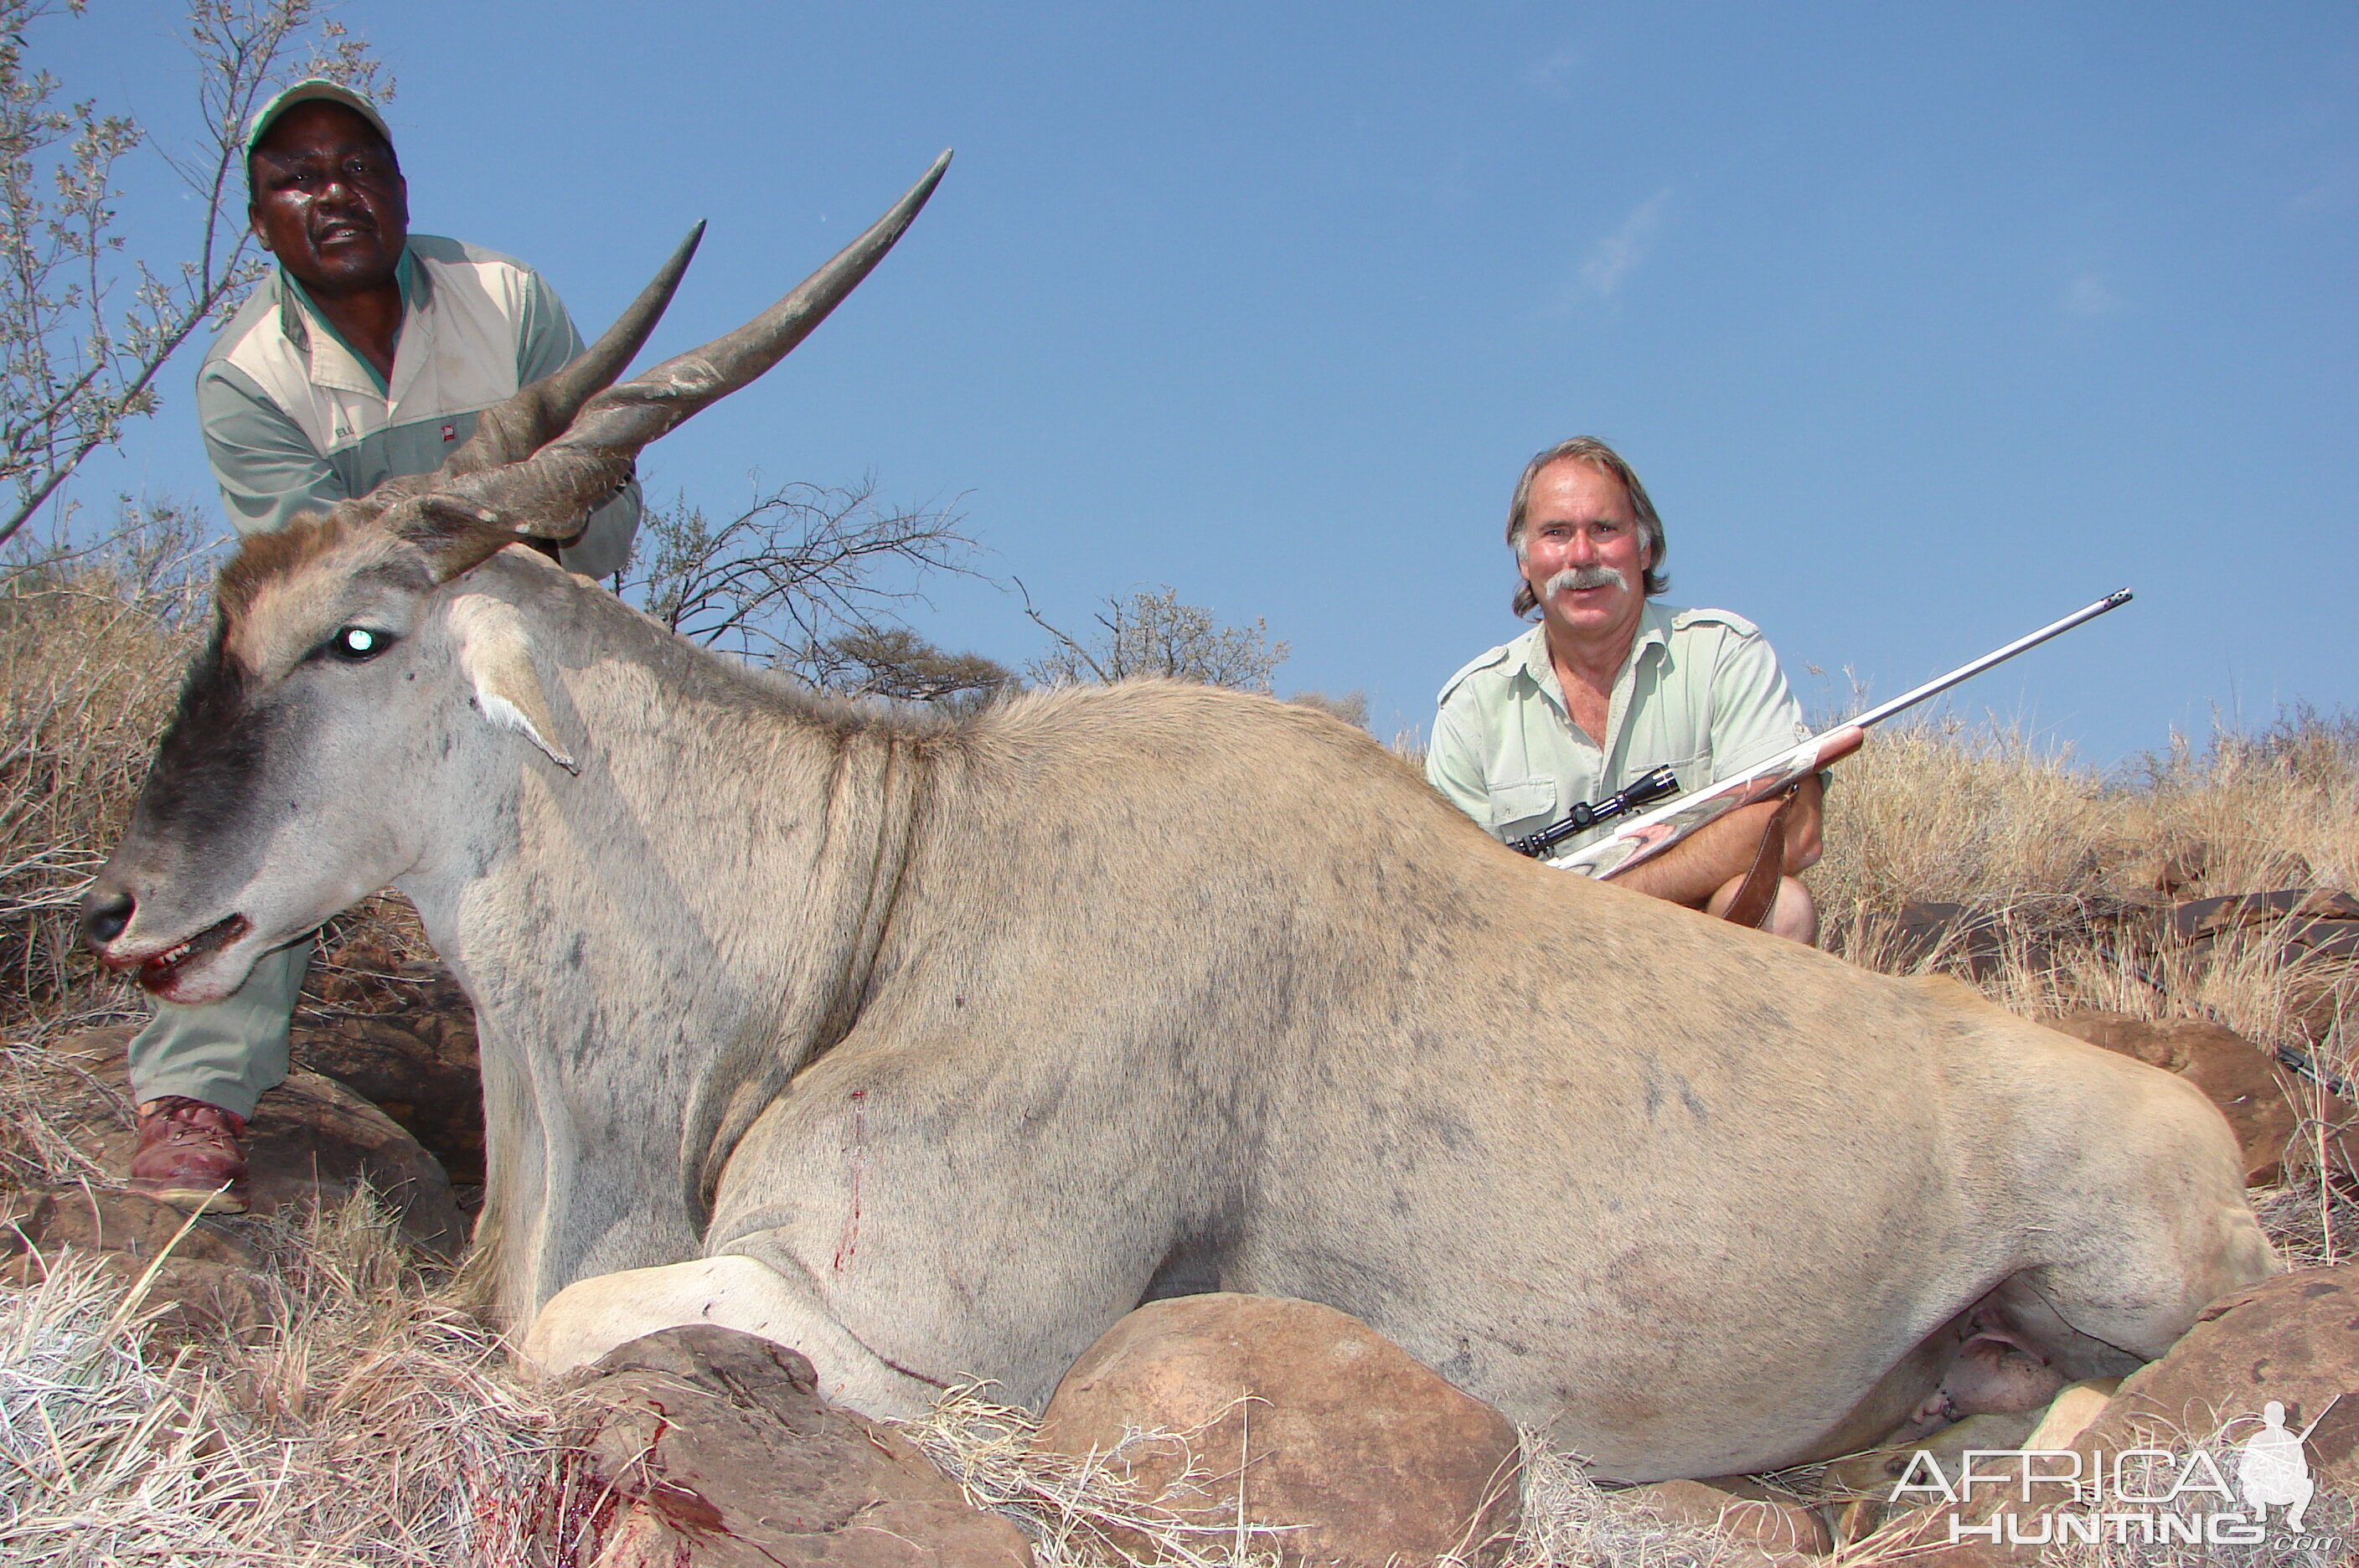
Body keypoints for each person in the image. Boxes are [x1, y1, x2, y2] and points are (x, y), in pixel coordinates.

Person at [126, 80, 640, 1211]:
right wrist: (479, 504)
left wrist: (521, 521)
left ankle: (639, 1099)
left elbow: (604, 516)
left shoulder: (505, 298)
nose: (331, 191)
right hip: (361, 633)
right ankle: (198, 1084)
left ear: (401, 191)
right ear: (258, 218)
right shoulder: (245, 373)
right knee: (273, 757)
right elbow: (311, 574)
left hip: (524, 601)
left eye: (356, 165)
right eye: (295, 177)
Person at [1426, 436, 1824, 942]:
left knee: (1781, 905)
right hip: (1535, 960)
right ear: (1526, 561)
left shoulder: (1724, 653)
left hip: (1694, 950)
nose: (1582, 554)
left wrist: (1608, 902)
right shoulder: (1471, 704)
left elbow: (1792, 826)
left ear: (1645, 546)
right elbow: (1451, 889)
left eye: (1605, 529)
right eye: (1556, 533)